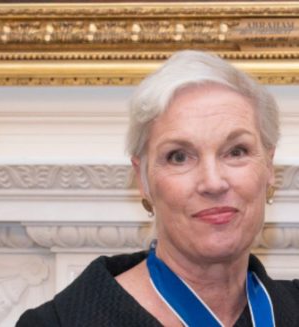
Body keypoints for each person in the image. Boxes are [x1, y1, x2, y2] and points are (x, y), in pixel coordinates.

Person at [17, 50, 299, 326]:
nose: (213, 182)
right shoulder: (60, 321)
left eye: (236, 151)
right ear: (143, 180)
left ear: (269, 167)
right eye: (178, 156)